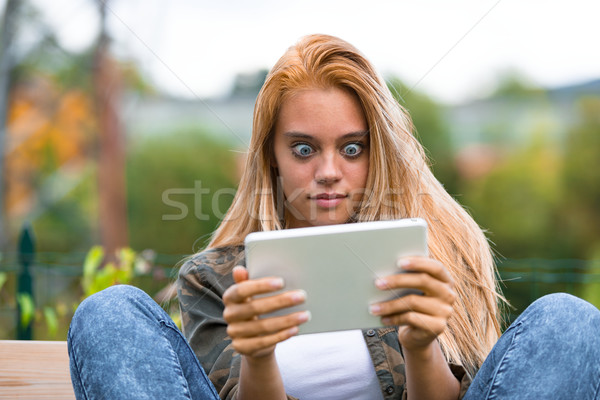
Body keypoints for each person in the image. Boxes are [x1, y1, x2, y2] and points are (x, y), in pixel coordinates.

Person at [67, 34, 600, 400]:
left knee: (568, 321)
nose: (327, 172)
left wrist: (420, 345)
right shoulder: (216, 280)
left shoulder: (425, 258)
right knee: (110, 312)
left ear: (378, 153)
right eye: (303, 150)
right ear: (270, 156)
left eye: (351, 149)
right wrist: (257, 358)